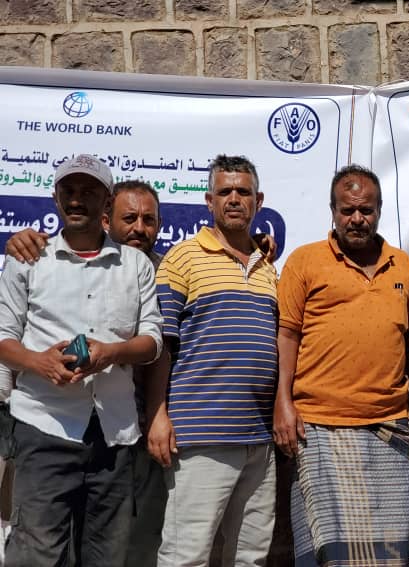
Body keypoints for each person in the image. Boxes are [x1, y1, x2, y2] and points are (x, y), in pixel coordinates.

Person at [0, 154, 163, 566]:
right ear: (55, 198)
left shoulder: (136, 265)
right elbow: (3, 337)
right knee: (36, 556)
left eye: (88, 191)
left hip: (115, 436)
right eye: (69, 191)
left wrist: (111, 353)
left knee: (107, 556)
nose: (77, 200)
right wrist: (39, 362)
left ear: (106, 203)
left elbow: (152, 341)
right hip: (43, 428)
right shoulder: (27, 259)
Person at [272, 164, 409, 566]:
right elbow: (287, 336)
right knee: (329, 549)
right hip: (320, 427)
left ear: (379, 211)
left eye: (366, 210)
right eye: (348, 210)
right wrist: (282, 403)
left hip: (390, 429)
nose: (357, 219)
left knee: (393, 548)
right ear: (333, 212)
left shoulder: (401, 264)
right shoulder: (304, 261)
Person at [153, 154, 278, 566]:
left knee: (250, 558)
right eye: (225, 192)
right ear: (209, 201)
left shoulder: (269, 268)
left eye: (243, 191)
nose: (234, 199)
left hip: (259, 440)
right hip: (200, 437)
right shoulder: (183, 258)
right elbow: (160, 346)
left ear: (258, 201)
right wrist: (158, 416)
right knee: (186, 556)